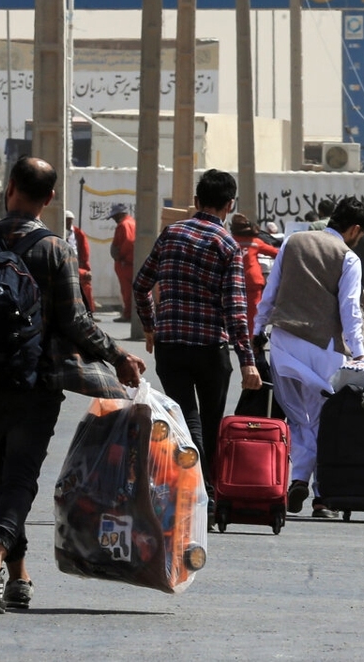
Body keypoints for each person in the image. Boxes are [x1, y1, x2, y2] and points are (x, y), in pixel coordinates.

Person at [0, 156, 146, 615]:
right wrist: (119, 356)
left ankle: (17, 577)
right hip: (33, 382)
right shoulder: (56, 250)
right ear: (51, 198)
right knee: (20, 476)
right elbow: (76, 321)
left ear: (10, 189)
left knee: (2, 473)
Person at [133, 172, 262, 503]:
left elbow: (141, 285)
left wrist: (150, 326)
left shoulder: (171, 234)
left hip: (170, 346)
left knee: (184, 415)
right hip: (210, 349)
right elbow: (234, 310)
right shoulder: (227, 246)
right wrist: (248, 362)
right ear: (230, 205)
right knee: (208, 420)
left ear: (196, 200)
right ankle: (204, 489)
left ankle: (191, 485)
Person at [256, 196, 364, 520]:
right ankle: (322, 498)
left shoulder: (293, 242)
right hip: (324, 348)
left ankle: (297, 478)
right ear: (355, 229)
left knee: (296, 418)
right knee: (325, 420)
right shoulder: (348, 257)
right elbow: (350, 309)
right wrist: (359, 354)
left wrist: (256, 331)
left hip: (284, 342)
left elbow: (271, 291)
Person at [228, 213, 278, 336]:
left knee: (232, 310)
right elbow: (276, 253)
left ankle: (234, 335)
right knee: (253, 313)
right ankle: (252, 338)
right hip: (253, 281)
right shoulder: (255, 242)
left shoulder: (228, 241)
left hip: (233, 281)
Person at [64, 209, 96, 313]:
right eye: (67, 220)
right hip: (65, 263)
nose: (69, 223)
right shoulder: (60, 231)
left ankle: (89, 311)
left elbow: (85, 250)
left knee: (86, 285)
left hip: (77, 264)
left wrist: (86, 267)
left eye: (70, 220)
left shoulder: (78, 233)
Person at [109, 203, 136, 322]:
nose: (113, 219)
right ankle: (132, 313)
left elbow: (129, 241)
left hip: (125, 263)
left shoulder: (124, 224)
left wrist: (120, 255)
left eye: (114, 216)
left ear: (120, 214)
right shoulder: (133, 222)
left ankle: (128, 314)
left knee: (127, 290)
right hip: (131, 262)